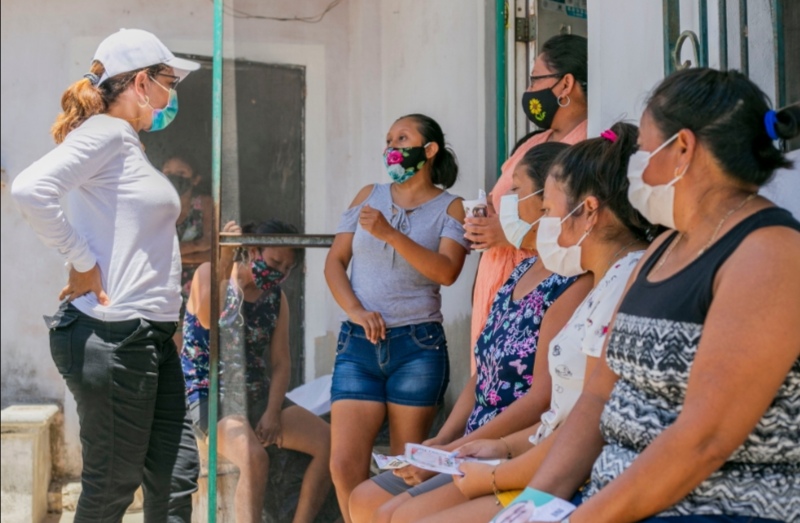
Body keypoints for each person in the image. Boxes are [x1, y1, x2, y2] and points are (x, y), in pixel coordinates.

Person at [497, 69, 800, 523]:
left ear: (682, 148)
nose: (633, 162)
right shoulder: (663, 247)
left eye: (642, 149)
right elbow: (599, 396)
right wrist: (530, 507)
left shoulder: (768, 253)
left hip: (719, 509)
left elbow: (704, 440)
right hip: (617, 501)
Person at [407, 122, 655, 523]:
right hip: (544, 464)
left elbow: (587, 425)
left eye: (548, 211)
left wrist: (498, 473)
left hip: (571, 482)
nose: (542, 223)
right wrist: (499, 450)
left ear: (587, 211)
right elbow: (564, 418)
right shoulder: (606, 282)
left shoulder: (623, 282)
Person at [11, 28, 201, 522]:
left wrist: (166, 322)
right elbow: (30, 190)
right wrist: (80, 260)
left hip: (148, 337)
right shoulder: (109, 132)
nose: (172, 93)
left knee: (176, 476)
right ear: (141, 83)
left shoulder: (126, 144)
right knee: (112, 488)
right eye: (169, 80)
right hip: (115, 336)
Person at [348, 143, 593, 523]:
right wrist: (440, 441)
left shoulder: (573, 284)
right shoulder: (517, 273)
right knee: (362, 499)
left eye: (516, 191)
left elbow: (543, 396)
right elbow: (483, 374)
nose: (504, 204)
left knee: (394, 516)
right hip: (471, 445)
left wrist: (454, 451)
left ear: (553, 203)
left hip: (507, 448)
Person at [324, 114, 470, 522]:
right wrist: (355, 310)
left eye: (402, 138)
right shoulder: (368, 195)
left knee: (408, 470)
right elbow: (335, 262)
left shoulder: (450, 206)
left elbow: (446, 271)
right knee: (343, 464)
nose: (391, 145)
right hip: (358, 344)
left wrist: (391, 234)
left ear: (429, 150)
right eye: (389, 138)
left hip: (417, 347)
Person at [182, 219, 333, 523]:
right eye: (275, 262)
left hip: (257, 393)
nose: (278, 273)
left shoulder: (276, 299)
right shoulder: (208, 275)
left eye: (286, 269)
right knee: (253, 458)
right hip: (209, 395)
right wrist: (224, 260)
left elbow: (281, 363)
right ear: (252, 251)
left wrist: (273, 411)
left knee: (329, 443)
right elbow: (210, 320)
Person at [466, 34, 589, 362]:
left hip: (542, 291)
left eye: (536, 79)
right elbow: (498, 201)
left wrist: (506, 234)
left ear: (565, 84)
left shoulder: (589, 145)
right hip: (500, 282)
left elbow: (583, 231)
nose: (530, 89)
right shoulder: (534, 143)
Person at [162, 154, 213, 347]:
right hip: (163, 285)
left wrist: (172, 251)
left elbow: (211, 252)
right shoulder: (156, 205)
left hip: (197, 286)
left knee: (193, 346)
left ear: (195, 179)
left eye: (181, 173)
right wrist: (196, 246)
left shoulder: (204, 203)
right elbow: (153, 251)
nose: (175, 177)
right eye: (168, 172)